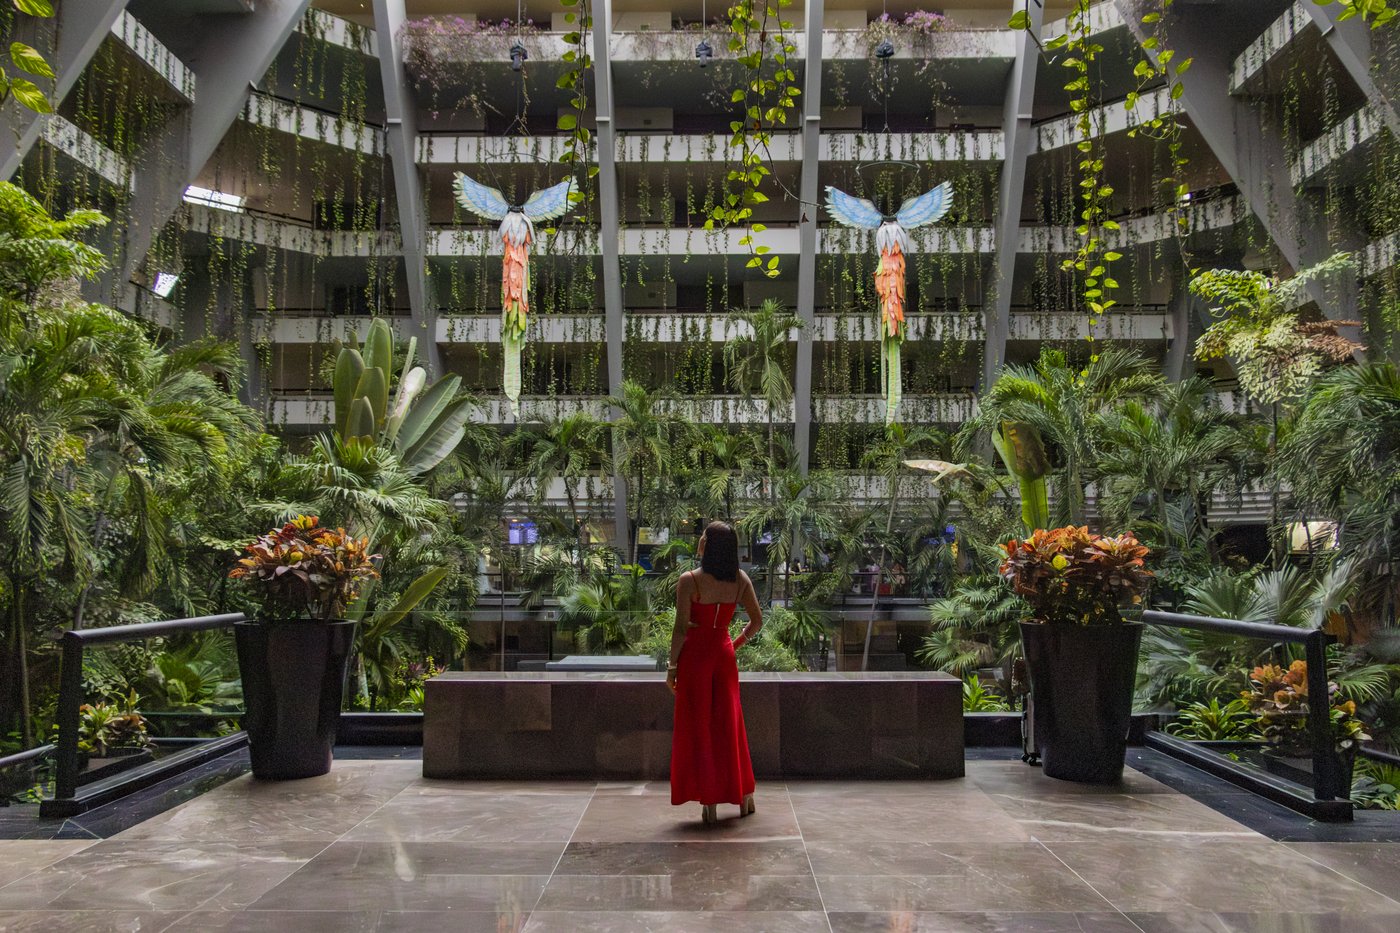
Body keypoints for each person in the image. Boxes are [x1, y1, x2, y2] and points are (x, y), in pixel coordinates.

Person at [667, 521, 761, 824]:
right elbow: (756, 622)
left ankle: (709, 803)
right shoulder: (740, 579)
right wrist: (732, 642)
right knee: (730, 724)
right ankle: (745, 796)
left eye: (703, 537)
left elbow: (681, 629)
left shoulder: (689, 581)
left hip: (696, 658)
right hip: (724, 656)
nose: (699, 540)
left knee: (700, 726)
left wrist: (671, 668)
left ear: (708, 545)